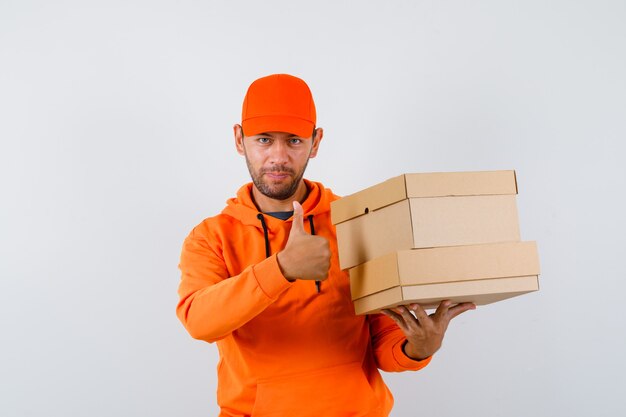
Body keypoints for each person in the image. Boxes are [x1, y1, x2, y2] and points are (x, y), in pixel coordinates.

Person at [176, 73, 475, 417]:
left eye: (293, 141)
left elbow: (384, 345)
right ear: (239, 140)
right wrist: (281, 269)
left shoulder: (356, 221)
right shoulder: (211, 237)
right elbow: (200, 322)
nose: (278, 157)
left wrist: (418, 347)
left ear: (315, 143)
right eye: (263, 140)